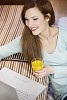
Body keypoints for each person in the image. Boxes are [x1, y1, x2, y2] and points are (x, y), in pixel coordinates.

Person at [0, 0, 67, 100]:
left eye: (35, 19)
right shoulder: (25, 41)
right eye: (26, 20)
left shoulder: (64, 36)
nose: (30, 24)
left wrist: (52, 70)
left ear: (47, 17)